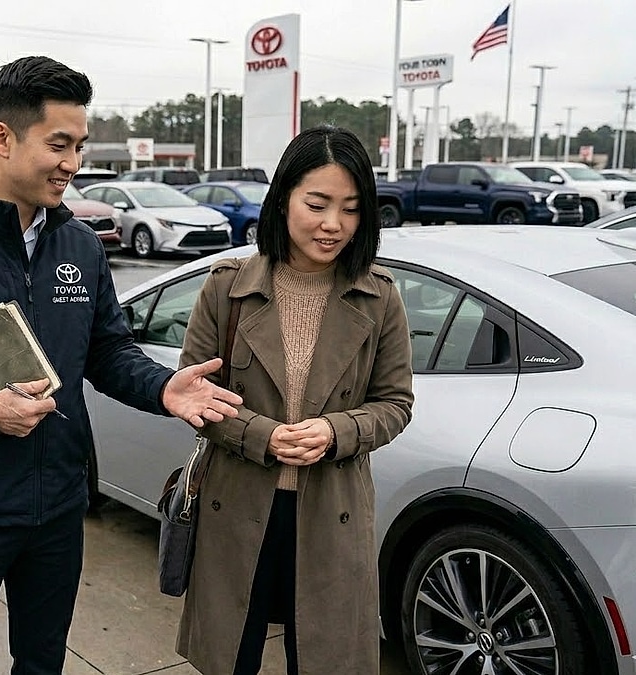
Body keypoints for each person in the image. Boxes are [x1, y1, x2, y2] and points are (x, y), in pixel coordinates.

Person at [0, 55, 245, 675]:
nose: (72, 164)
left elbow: (107, 351)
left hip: (59, 507)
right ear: (1, 139)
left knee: (42, 663)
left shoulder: (78, 243)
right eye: (58, 145)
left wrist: (164, 389)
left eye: (79, 146)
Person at [175, 125, 415, 675]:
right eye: (318, 203)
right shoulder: (227, 284)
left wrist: (336, 432)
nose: (333, 225)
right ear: (283, 197)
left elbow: (395, 403)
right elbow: (196, 392)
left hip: (331, 511)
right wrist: (262, 435)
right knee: (231, 656)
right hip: (237, 506)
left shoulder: (380, 298)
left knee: (324, 658)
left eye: (351, 209)